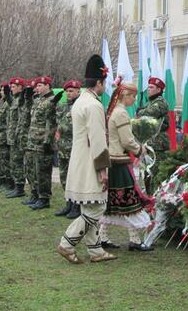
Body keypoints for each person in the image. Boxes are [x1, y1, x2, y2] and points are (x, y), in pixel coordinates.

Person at [58, 54, 117, 264]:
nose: (105, 86)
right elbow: (98, 140)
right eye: (105, 83)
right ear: (99, 82)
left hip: (79, 159)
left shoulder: (81, 101)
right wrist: (102, 171)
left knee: (88, 206)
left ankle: (96, 250)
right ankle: (67, 243)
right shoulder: (93, 105)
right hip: (91, 162)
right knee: (97, 207)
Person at [99, 81, 153, 252]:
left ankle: (103, 237)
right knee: (130, 200)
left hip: (112, 159)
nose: (134, 99)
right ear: (125, 95)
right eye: (133, 96)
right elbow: (127, 140)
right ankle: (135, 240)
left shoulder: (113, 111)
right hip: (120, 161)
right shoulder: (121, 113)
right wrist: (140, 149)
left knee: (113, 200)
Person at [26, 76, 61, 210]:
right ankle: (35, 194)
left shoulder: (52, 101)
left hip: (43, 142)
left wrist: (48, 140)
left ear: (47, 86)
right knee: (32, 170)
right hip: (33, 141)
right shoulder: (38, 100)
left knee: (43, 172)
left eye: (40, 85)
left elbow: (51, 123)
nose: (37, 88)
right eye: (37, 86)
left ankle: (44, 198)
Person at [54, 80, 82, 218]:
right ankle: (68, 204)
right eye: (67, 91)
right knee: (64, 177)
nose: (68, 93)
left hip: (75, 147)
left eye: (71, 91)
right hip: (62, 147)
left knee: (76, 178)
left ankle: (77, 206)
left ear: (78, 91)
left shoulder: (81, 105)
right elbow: (58, 123)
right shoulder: (62, 106)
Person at [6, 77, 26, 198]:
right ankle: (17, 186)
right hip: (12, 136)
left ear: (20, 87)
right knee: (14, 162)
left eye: (13, 87)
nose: (11, 89)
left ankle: (20, 188)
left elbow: (22, 119)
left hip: (19, 136)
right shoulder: (14, 100)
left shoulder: (22, 100)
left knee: (18, 162)